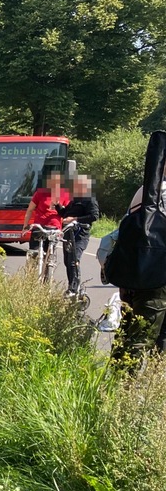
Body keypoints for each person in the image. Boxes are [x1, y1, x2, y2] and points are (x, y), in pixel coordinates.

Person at [104, 130, 166, 364]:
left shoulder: (144, 191)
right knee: (144, 338)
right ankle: (125, 391)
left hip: (134, 273)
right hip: (157, 279)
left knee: (129, 332)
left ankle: (118, 386)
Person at [56, 173, 99, 297]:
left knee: (74, 260)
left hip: (80, 235)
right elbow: (64, 214)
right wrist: (58, 205)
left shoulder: (90, 199)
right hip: (68, 234)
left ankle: (74, 289)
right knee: (67, 261)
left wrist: (74, 219)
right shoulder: (75, 199)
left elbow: (94, 216)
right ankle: (72, 287)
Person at [21, 171, 67, 275]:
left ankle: (47, 280)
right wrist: (25, 226)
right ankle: (30, 278)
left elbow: (67, 213)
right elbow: (29, 210)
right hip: (39, 227)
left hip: (55, 228)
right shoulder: (40, 193)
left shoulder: (64, 194)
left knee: (49, 256)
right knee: (34, 253)